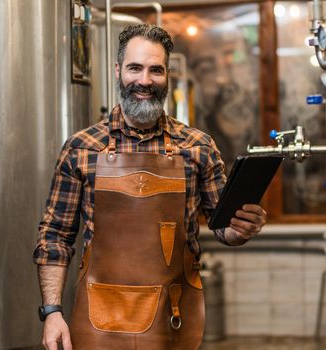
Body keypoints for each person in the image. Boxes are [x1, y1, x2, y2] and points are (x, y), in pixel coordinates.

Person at [33, 24, 267, 350]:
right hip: (99, 317)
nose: (144, 81)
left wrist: (242, 227)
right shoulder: (82, 147)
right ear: (118, 71)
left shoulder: (198, 146)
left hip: (172, 317)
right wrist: (52, 311)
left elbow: (223, 227)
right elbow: (55, 236)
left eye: (155, 70)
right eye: (135, 68)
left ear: (167, 75)